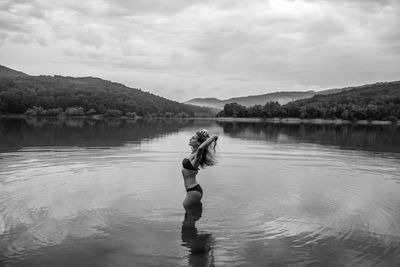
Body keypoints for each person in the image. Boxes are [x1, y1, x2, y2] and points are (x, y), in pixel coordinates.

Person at [181, 129, 218, 207]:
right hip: (193, 190)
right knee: (193, 213)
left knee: (187, 212)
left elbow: (201, 148)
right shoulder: (193, 153)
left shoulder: (198, 156)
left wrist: (214, 136)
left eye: (193, 138)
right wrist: (204, 134)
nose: (190, 139)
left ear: (198, 143)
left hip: (193, 191)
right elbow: (200, 146)